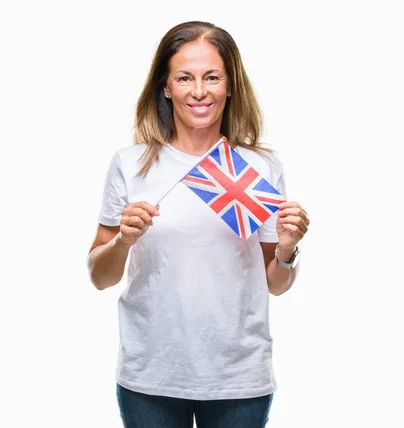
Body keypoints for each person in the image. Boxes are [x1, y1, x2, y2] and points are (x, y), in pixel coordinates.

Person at [87, 21, 309, 428]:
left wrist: (287, 249)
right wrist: (123, 240)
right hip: (150, 373)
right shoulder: (130, 163)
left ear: (229, 85)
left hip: (238, 378)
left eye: (212, 77)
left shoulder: (260, 167)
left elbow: (275, 283)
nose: (200, 91)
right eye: (185, 78)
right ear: (166, 86)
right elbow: (99, 277)